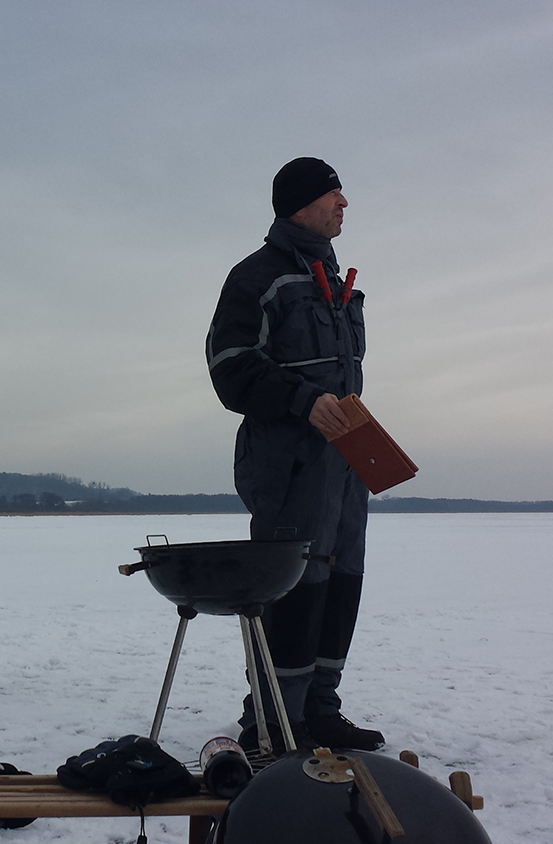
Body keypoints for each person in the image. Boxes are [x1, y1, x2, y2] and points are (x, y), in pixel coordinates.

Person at [205, 158, 384, 751]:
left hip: (344, 465)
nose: (344, 203)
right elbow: (230, 367)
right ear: (301, 204)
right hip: (287, 464)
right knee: (291, 583)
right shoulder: (257, 277)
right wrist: (304, 400)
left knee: (340, 579)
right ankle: (274, 719)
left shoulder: (334, 281)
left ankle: (320, 709)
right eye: (334, 194)